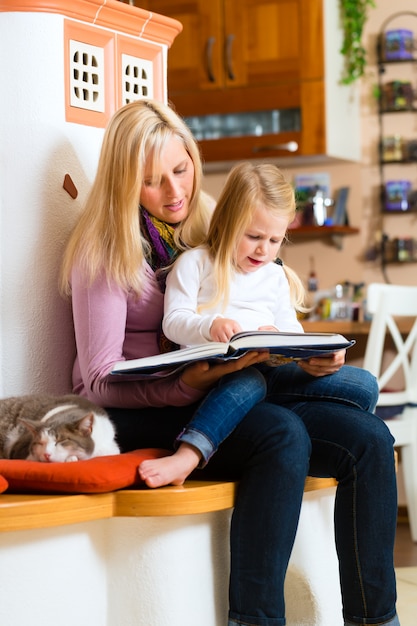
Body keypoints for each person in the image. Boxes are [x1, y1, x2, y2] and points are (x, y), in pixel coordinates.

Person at [60, 99, 399, 626]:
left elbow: (259, 287)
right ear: (125, 184)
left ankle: (376, 619)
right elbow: (97, 380)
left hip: (222, 384)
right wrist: (185, 386)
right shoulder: (104, 253)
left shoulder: (207, 226)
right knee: (282, 433)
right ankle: (257, 620)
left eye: (181, 169)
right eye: (152, 181)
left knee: (369, 437)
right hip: (145, 406)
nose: (175, 192)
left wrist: (302, 350)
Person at [140, 161, 312, 487]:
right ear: (228, 221)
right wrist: (210, 325)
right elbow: (173, 322)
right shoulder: (195, 263)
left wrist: (284, 338)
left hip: (268, 366)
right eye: (254, 236)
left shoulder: (274, 275)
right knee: (250, 381)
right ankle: (188, 453)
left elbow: (291, 325)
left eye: (276, 240)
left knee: (361, 385)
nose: (265, 250)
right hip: (222, 369)